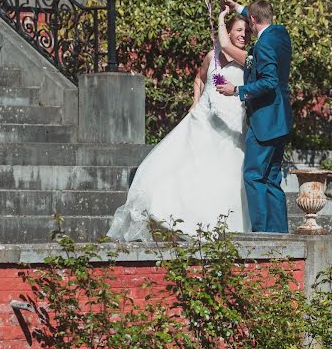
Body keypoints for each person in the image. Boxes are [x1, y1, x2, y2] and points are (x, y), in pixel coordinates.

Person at [107, 15, 251, 241]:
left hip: (231, 126)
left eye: (246, 32)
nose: (243, 35)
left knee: (224, 177)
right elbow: (199, 79)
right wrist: (196, 102)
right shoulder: (212, 57)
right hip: (203, 120)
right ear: (228, 32)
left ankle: (221, 228)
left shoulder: (248, 61)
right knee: (185, 168)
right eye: (239, 30)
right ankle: (179, 219)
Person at [216, 0, 292, 234]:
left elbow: (269, 82)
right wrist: (239, 8)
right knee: (271, 179)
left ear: (252, 21)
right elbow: (258, 16)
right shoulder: (280, 34)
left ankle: (261, 233)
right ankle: (279, 234)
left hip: (264, 121)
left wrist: (237, 91)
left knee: (254, 176)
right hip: (280, 120)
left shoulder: (263, 46)